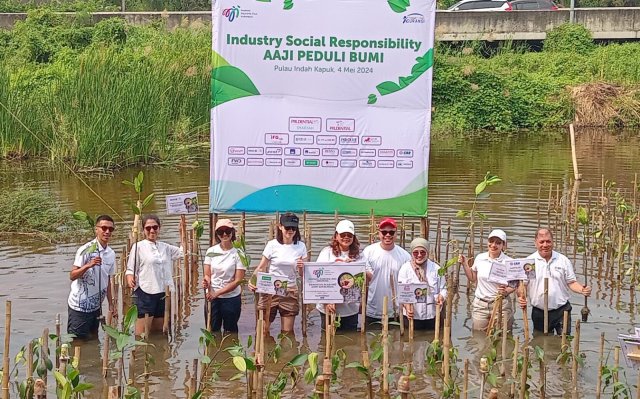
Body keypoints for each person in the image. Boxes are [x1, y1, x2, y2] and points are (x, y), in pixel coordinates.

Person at [518, 228, 592, 335]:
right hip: (539, 312)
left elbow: (571, 282)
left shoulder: (563, 260)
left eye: (548, 241)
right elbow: (523, 285)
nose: (545, 245)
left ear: (553, 242)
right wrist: (521, 297)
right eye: (541, 242)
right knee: (540, 343)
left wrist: (582, 290)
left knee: (564, 343)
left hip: (562, 310)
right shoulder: (529, 262)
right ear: (535, 243)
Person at [248, 212, 308, 334]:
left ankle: (286, 353)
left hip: (290, 290)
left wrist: (302, 267)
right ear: (280, 226)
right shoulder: (272, 245)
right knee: (263, 331)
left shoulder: (301, 246)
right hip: (270, 288)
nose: (290, 231)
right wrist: (252, 281)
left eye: (293, 228)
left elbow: (303, 274)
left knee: (287, 333)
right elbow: (261, 267)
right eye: (287, 227)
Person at [126, 215, 182, 336]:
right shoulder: (138, 247)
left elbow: (182, 252)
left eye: (155, 227)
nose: (152, 230)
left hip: (162, 293)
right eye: (148, 228)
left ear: (159, 228)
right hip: (145, 293)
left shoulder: (165, 247)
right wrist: (130, 278)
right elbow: (130, 269)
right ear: (143, 230)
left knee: (159, 334)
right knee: (141, 335)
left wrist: (182, 231)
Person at [67, 215, 117, 339]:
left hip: (96, 307)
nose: (107, 232)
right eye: (104, 228)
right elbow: (72, 275)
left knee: (93, 340)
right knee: (77, 342)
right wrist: (88, 265)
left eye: (110, 229)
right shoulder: (86, 250)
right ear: (96, 229)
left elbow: (108, 280)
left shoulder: (111, 254)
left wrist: (111, 304)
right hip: (79, 307)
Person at [461, 229, 516, 331]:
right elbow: (473, 278)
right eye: (491, 241)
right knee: (478, 338)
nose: (493, 245)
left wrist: (506, 291)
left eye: (498, 243)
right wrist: (464, 264)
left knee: (502, 337)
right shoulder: (480, 258)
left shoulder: (509, 262)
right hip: (480, 305)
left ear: (504, 245)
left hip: (501, 304)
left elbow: (514, 285)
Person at [316, 220, 365, 331]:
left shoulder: (360, 255)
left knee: (351, 342)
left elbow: (369, 277)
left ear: (353, 237)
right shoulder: (326, 252)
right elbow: (319, 279)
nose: (346, 237)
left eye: (349, 235)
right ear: (336, 236)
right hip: (329, 307)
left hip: (351, 308)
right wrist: (327, 301)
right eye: (343, 235)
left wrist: (355, 267)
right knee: (327, 342)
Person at [202, 219, 246, 333]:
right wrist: (206, 282)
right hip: (212, 298)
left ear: (232, 232)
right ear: (217, 234)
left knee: (230, 332)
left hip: (231, 298)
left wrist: (217, 293)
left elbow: (237, 281)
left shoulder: (239, 253)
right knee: (212, 331)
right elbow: (207, 274)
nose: (225, 234)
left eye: (227, 231)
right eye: (221, 232)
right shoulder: (211, 251)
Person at [364, 217, 411, 325]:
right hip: (373, 310)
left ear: (396, 233)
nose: (388, 235)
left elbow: (407, 283)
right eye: (384, 232)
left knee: (395, 340)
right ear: (379, 233)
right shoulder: (368, 252)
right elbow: (364, 279)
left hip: (396, 311)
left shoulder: (405, 256)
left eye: (391, 232)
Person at [397, 238, 446, 330]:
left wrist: (441, 297)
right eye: (416, 252)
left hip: (432, 315)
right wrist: (407, 307)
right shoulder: (405, 269)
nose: (419, 255)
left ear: (427, 252)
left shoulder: (437, 269)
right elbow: (402, 292)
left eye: (422, 252)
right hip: (411, 316)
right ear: (411, 253)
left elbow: (443, 288)